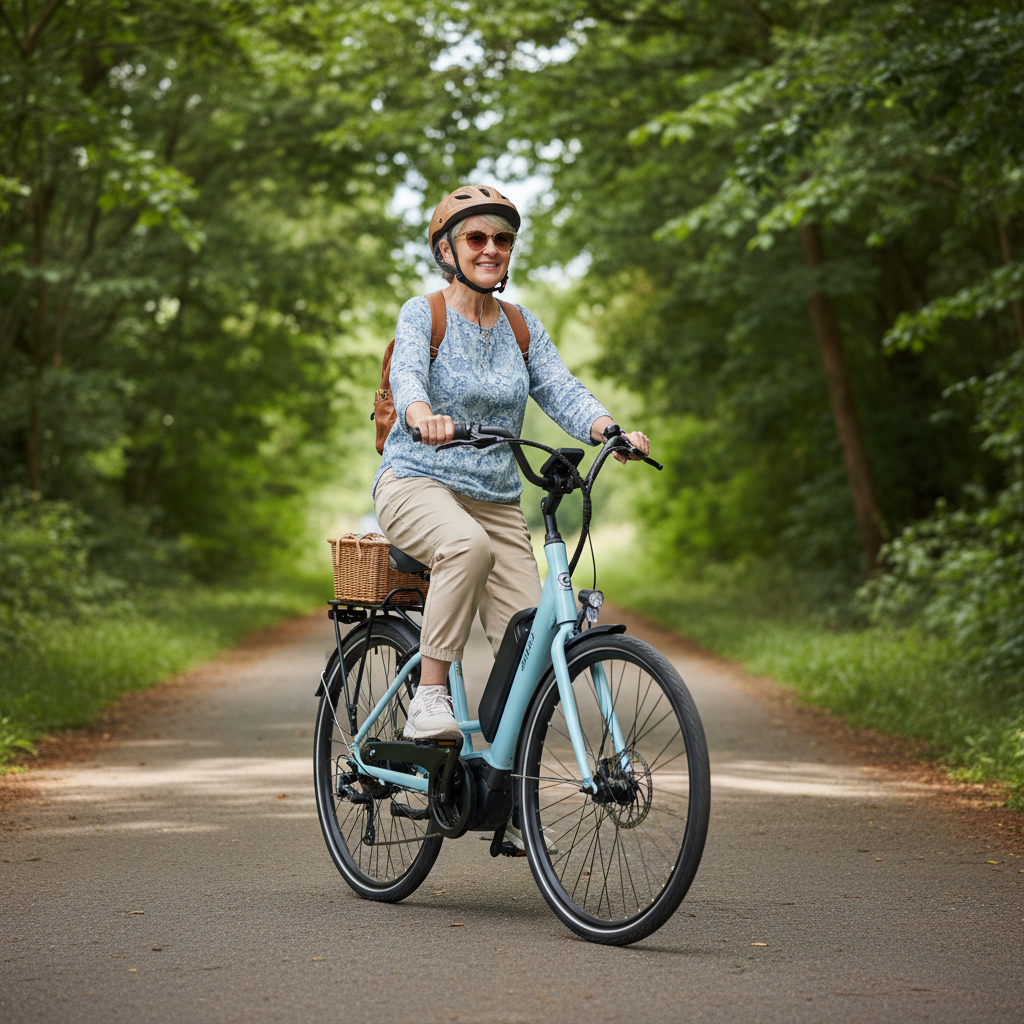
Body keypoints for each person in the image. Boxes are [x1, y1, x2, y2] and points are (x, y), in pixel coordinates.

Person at [372, 185, 650, 746]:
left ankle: (511, 802)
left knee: (531, 643)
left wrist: (610, 430)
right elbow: (407, 376)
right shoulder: (422, 313)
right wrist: (422, 412)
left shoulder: (520, 325)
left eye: (502, 239)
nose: (491, 247)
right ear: (447, 250)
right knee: (465, 546)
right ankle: (429, 696)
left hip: (495, 498)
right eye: (476, 237)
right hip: (416, 480)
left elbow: (560, 389)